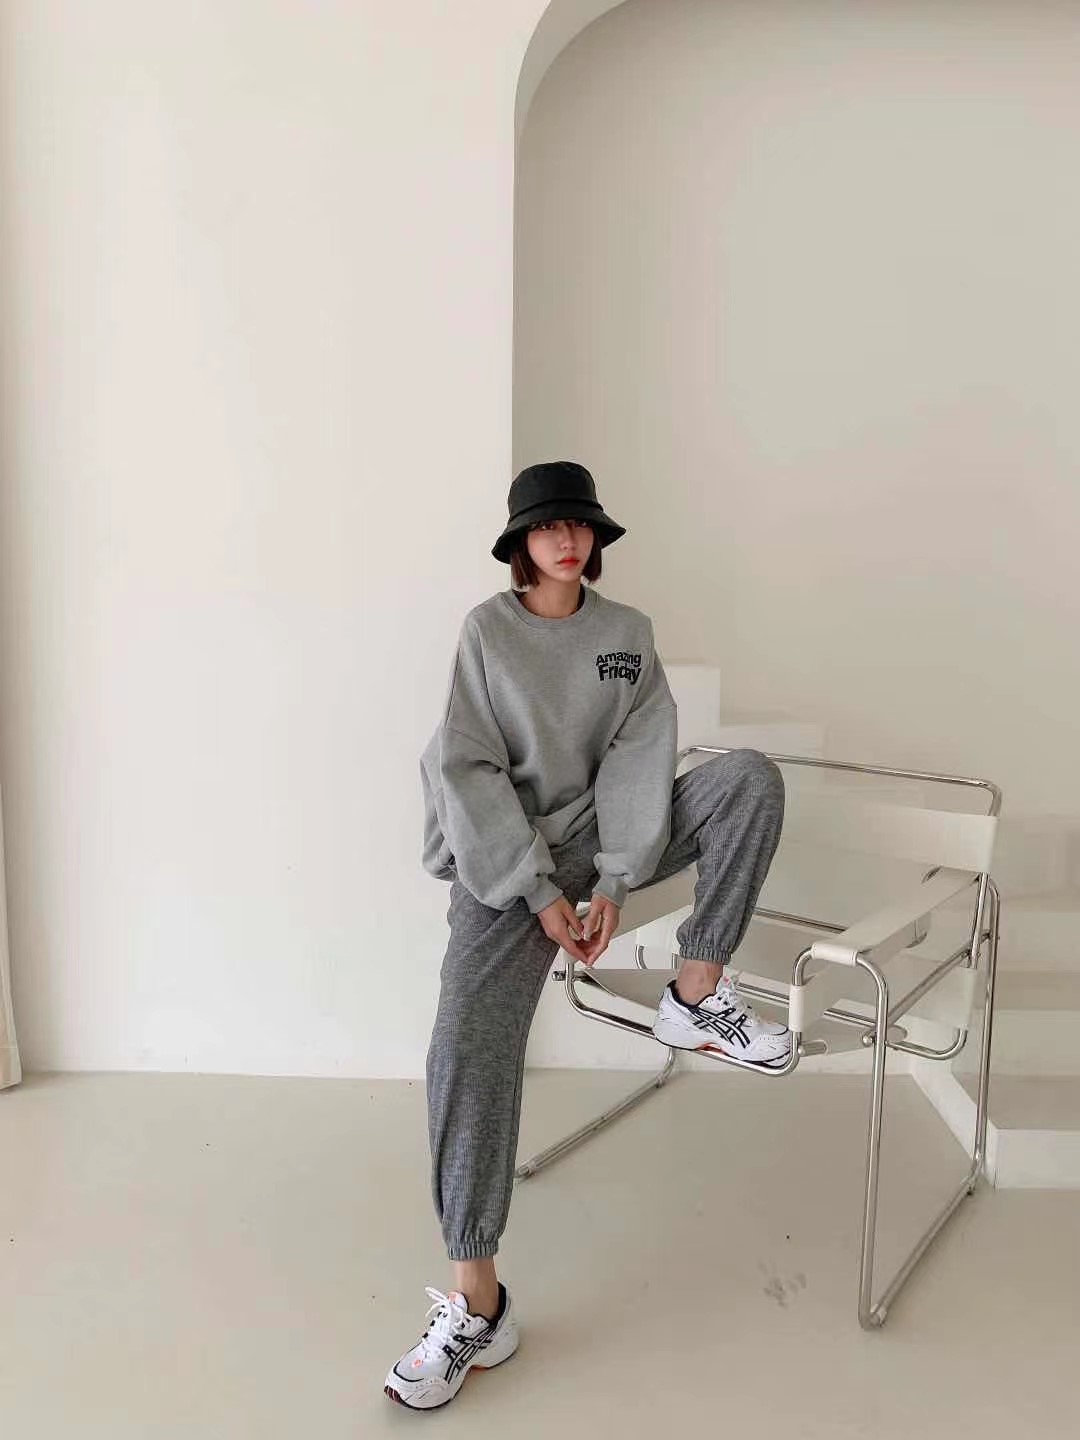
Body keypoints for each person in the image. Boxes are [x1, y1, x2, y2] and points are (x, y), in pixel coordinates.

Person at [384, 461, 788, 1411]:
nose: (566, 539)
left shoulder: (626, 635)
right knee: (465, 1049)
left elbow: (641, 756)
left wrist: (612, 879)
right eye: (547, 526)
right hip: (508, 864)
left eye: (580, 524)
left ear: (596, 538)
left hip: (605, 843)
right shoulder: (488, 631)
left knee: (747, 778)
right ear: (521, 543)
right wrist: (536, 891)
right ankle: (479, 1306)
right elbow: (467, 767)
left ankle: (695, 994)